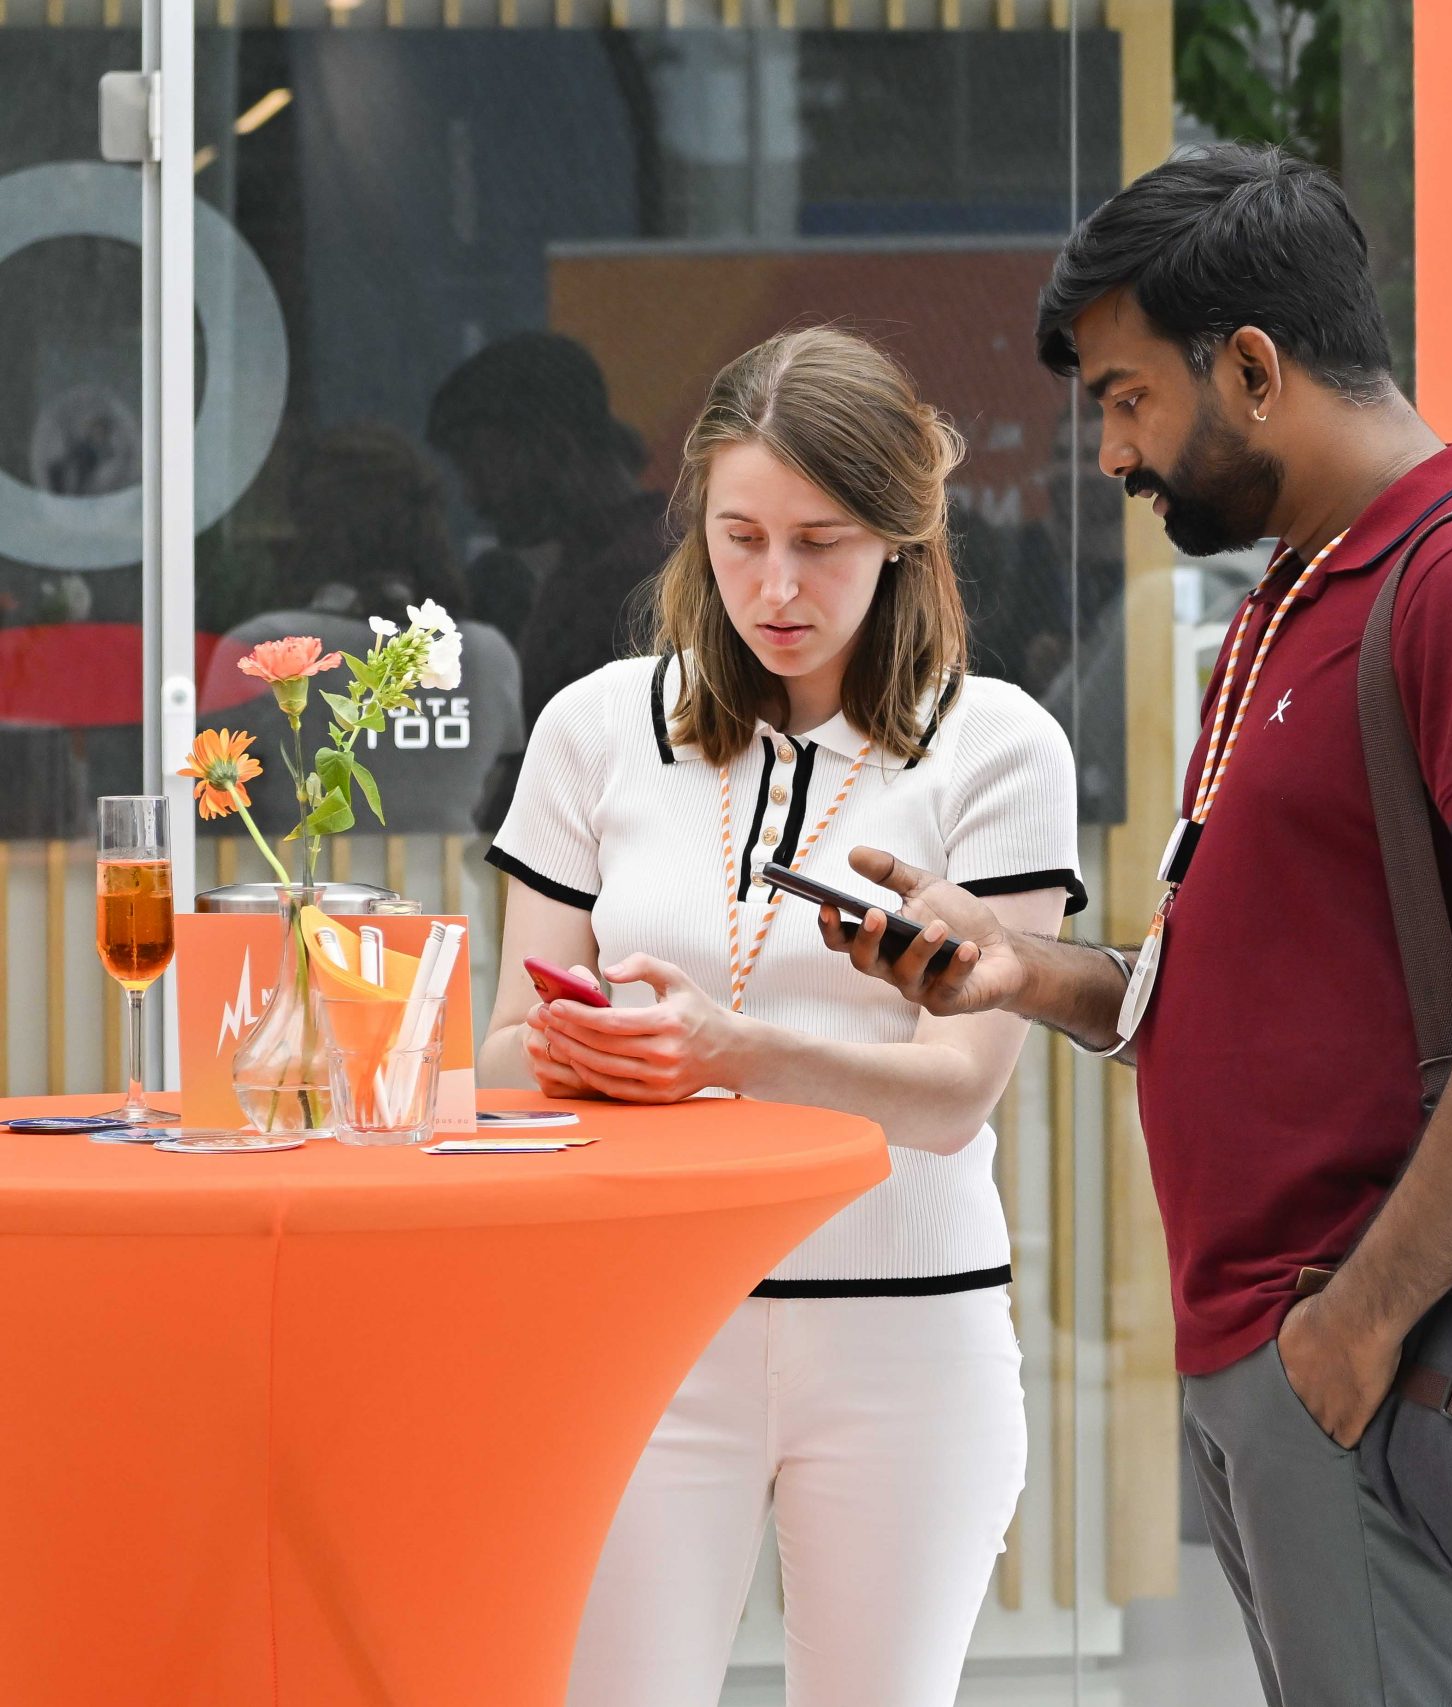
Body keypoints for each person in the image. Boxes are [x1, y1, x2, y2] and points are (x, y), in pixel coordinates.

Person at [827, 145, 1452, 1707]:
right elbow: (1229, 980)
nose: (1116, 451)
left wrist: (1357, 1327)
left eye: (1130, 398)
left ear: (1253, 368)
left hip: (1368, 1352)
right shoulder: (1291, 596)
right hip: (1272, 1351)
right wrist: (1022, 970)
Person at [480, 327, 1081, 1707]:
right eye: (740, 536)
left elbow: (953, 1092)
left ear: (901, 538)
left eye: (821, 540)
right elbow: (504, 1059)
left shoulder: (996, 745)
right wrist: (600, 1053)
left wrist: (731, 1052)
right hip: (640, 1333)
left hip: (906, 1338)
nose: (775, 584)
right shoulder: (596, 727)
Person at [203, 422, 524, 837]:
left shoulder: (263, 647)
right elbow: (501, 801)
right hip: (453, 896)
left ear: (311, 528)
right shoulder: (487, 654)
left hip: (294, 893)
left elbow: (214, 811)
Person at [424, 331, 671, 828]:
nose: (474, 499)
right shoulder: (625, 560)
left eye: (482, 467)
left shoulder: (622, 579)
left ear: (555, 446)